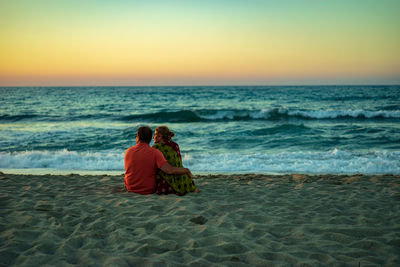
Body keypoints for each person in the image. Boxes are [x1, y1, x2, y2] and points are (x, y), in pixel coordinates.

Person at [124, 126, 192, 194]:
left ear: (138, 137)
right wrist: (186, 170)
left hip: (130, 188)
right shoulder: (155, 152)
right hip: (147, 189)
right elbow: (169, 170)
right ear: (150, 138)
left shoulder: (128, 151)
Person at [153, 126, 199, 195]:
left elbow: (154, 165)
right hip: (181, 174)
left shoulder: (156, 147)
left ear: (161, 136)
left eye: (156, 135)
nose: (154, 137)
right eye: (154, 135)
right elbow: (179, 162)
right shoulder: (175, 145)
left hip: (165, 177)